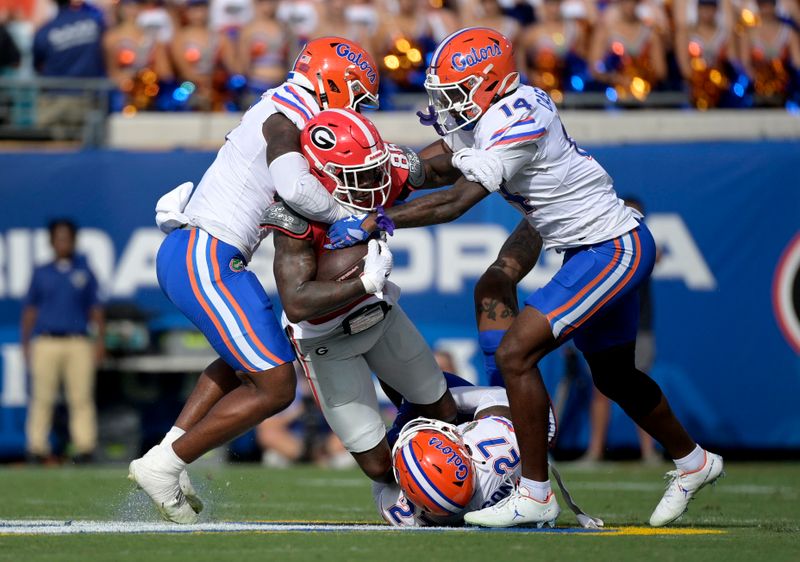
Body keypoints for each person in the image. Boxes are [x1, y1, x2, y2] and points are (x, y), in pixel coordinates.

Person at [325, 27, 723, 528]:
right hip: (585, 248)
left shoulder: (518, 117)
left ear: (491, 83)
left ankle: (535, 494)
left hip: (610, 247)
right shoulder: (490, 112)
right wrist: (386, 172)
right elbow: (440, 161)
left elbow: (455, 200)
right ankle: (695, 462)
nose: (448, 104)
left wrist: (376, 218)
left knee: (515, 353)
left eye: (456, 92)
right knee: (614, 375)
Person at [128, 37, 381, 524]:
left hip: (209, 253)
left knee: (245, 362)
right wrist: (340, 215)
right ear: (331, 81)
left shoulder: (288, 104)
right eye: (352, 94)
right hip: (208, 253)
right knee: (276, 385)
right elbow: (292, 183)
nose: (353, 107)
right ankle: (165, 463)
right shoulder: (289, 112)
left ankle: (167, 454)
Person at [262, 108, 459, 483]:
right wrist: (364, 283)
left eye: (377, 168)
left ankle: (451, 477)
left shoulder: (382, 172)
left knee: (442, 411)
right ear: (325, 175)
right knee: (377, 465)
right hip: (325, 337)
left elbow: (439, 169)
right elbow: (296, 302)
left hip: (378, 316)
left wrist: (478, 154)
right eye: (361, 174)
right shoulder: (296, 214)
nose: (375, 180)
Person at [579, 196, 660, 464]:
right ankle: (595, 451)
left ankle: (649, 452)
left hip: (639, 329)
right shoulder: (605, 247)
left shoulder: (641, 246)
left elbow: (655, 256)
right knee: (602, 390)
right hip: (606, 327)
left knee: (637, 388)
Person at [20, 219, 105, 464]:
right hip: (46, 341)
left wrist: (99, 341)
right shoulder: (41, 272)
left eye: (67, 238)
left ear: (74, 240)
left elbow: (96, 309)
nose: (62, 243)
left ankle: (84, 446)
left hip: (78, 341)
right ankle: (36, 447)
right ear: (51, 241)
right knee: (42, 397)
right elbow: (30, 311)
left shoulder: (84, 270)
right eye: (58, 238)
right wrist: (26, 342)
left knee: (81, 397)